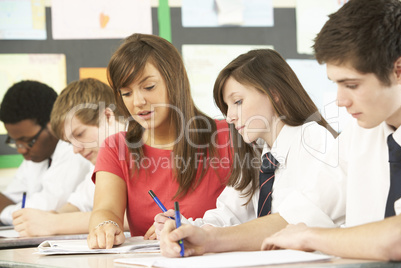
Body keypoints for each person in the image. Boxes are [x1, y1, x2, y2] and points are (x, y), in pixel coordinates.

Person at [158, 48, 341, 257]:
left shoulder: (314, 140)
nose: (229, 117)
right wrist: (185, 229)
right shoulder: (259, 155)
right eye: (226, 106)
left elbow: (297, 220)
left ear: (274, 94)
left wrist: (209, 239)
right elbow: (228, 216)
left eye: (237, 102)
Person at [260, 0, 401, 261]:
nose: (340, 100)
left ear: (399, 70)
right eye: (336, 84)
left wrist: (309, 237)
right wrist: (210, 240)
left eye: (352, 85)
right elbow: (294, 217)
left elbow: (397, 238)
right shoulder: (359, 135)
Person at [87, 33, 232, 249]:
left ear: (174, 81)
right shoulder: (116, 147)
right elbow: (106, 210)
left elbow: (247, 215)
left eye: (149, 87)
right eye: (126, 93)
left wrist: (187, 229)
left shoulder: (226, 137)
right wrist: (106, 226)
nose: (138, 102)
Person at [10, 78, 127, 236]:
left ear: (107, 116)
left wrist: (55, 223)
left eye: (80, 134)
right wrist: (51, 216)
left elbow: (137, 216)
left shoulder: (143, 147)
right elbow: (79, 203)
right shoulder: (102, 160)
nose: (76, 150)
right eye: (69, 142)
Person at [0, 80, 92, 226]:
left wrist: (7, 212)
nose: (21, 150)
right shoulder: (36, 156)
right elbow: (11, 197)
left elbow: (48, 208)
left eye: (28, 141)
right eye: (15, 141)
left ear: (51, 124)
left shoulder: (75, 149)